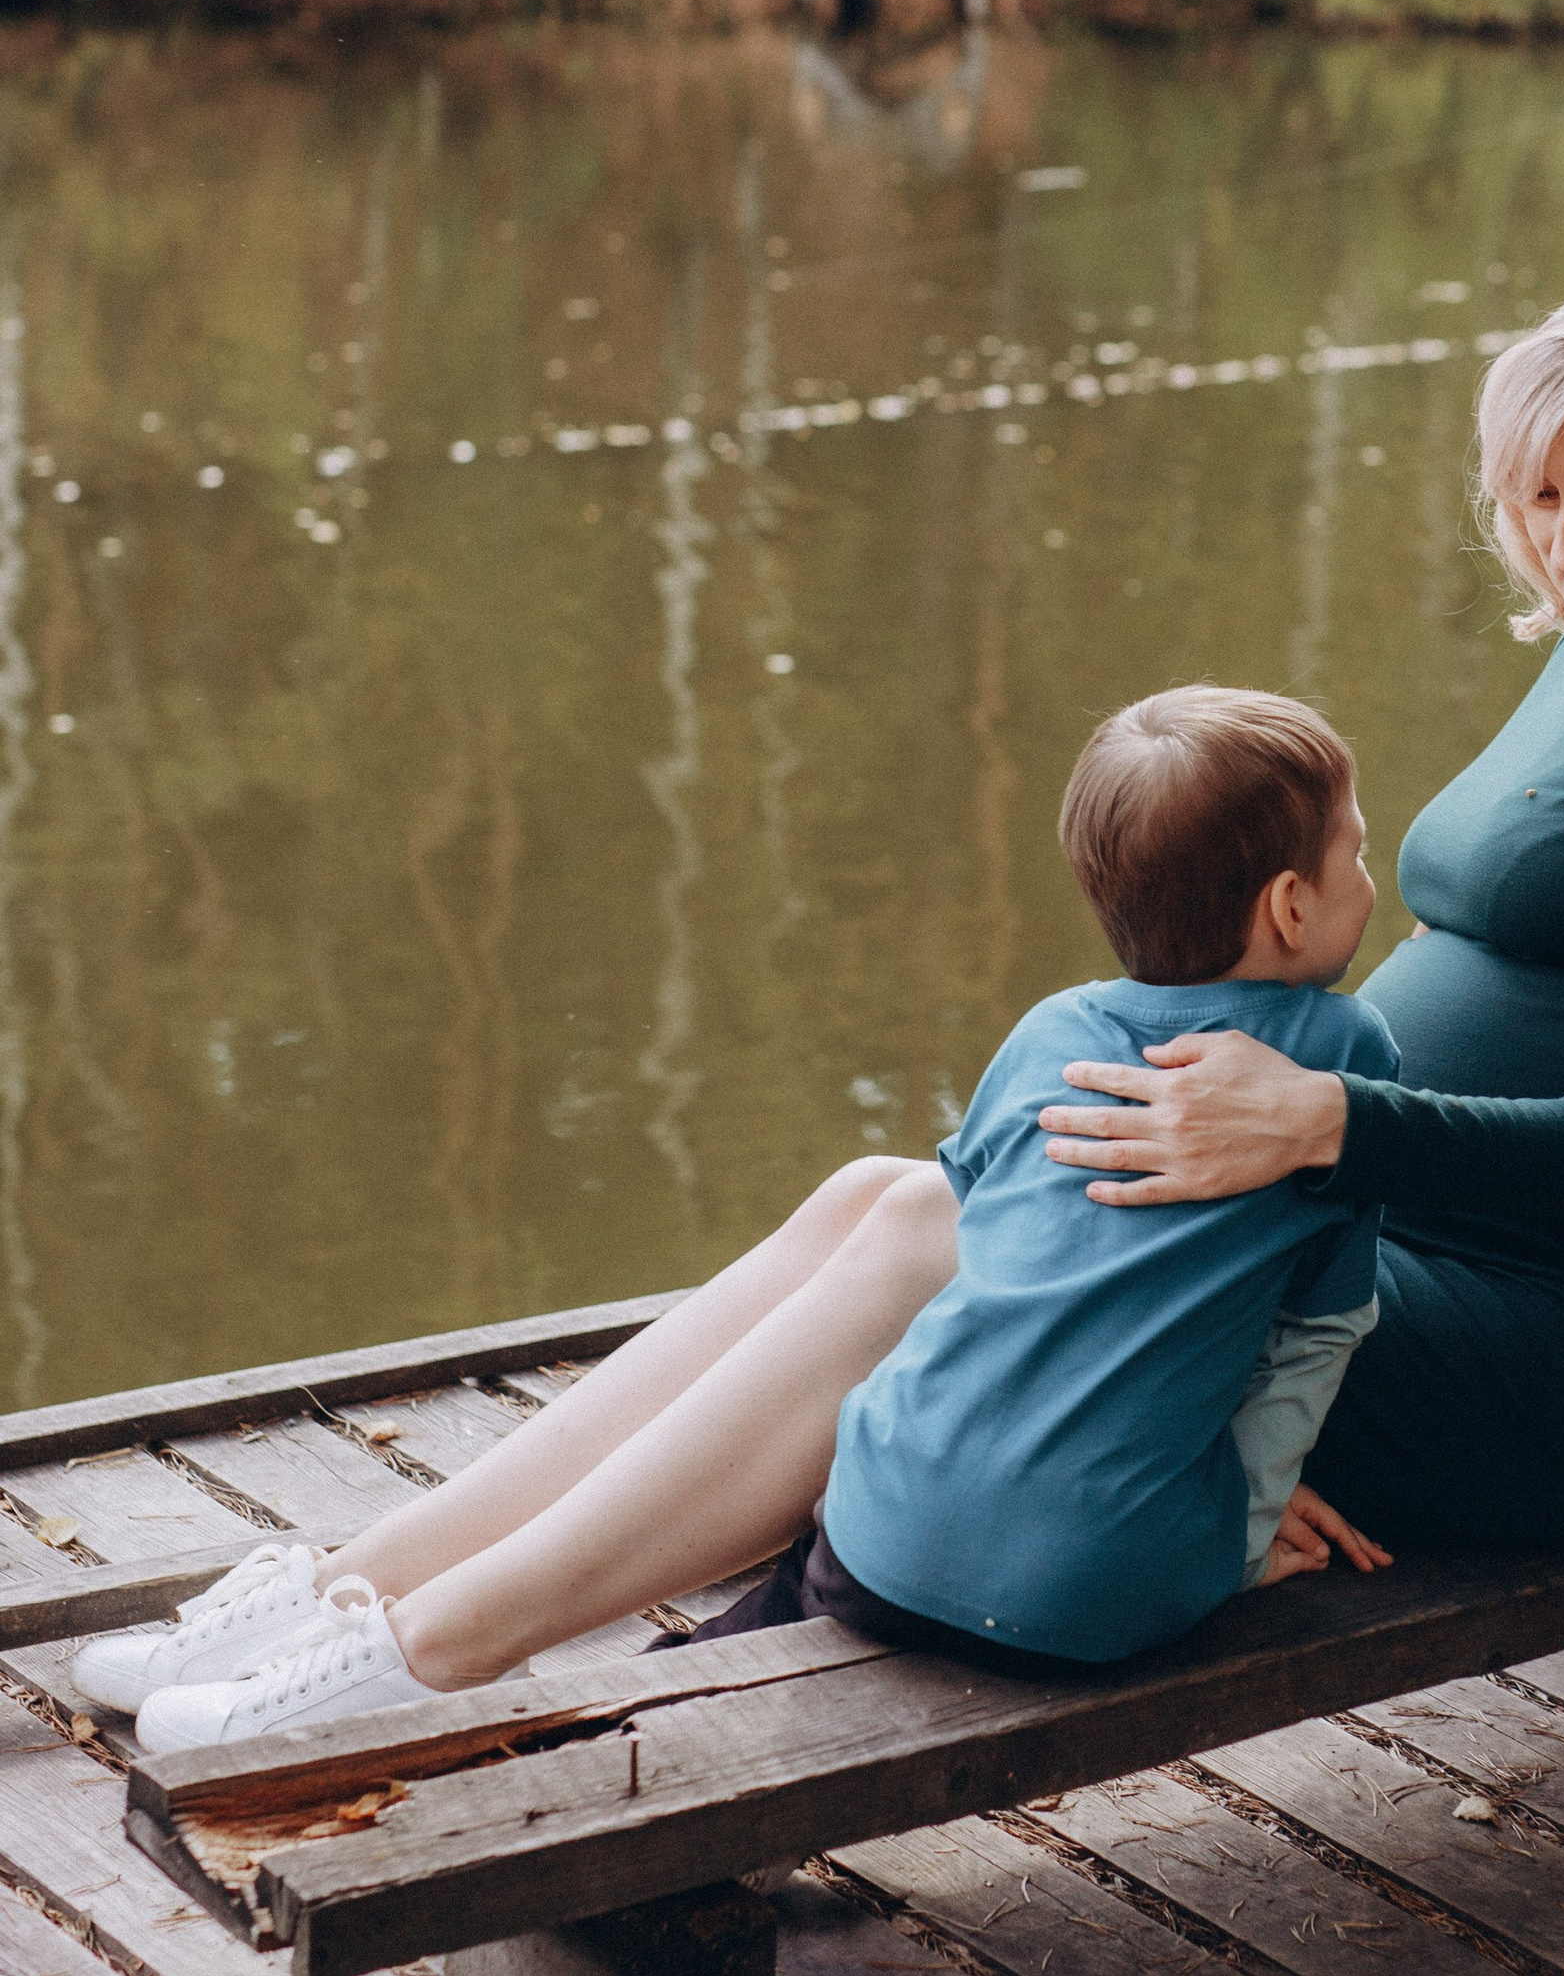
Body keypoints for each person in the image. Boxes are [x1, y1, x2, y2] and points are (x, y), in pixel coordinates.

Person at [88, 687, 1398, 1749]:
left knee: (914, 1206)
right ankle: (360, 1594)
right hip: (1111, 1573)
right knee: (871, 1199)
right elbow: (1314, 1330)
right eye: (1354, 846)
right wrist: (1223, 1512)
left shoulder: (1055, 1030)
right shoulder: (1353, 1047)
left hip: (915, 1539)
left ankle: (410, 1633)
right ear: (1290, 904)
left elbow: (1012, 1253)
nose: (1370, 864)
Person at [1034, 264, 1564, 1553]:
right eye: (1539, 497)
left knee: (953, 1257)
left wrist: (1313, 1119)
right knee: (891, 1211)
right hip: (1379, 1248)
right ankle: (645, 1614)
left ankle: (697, 1650)